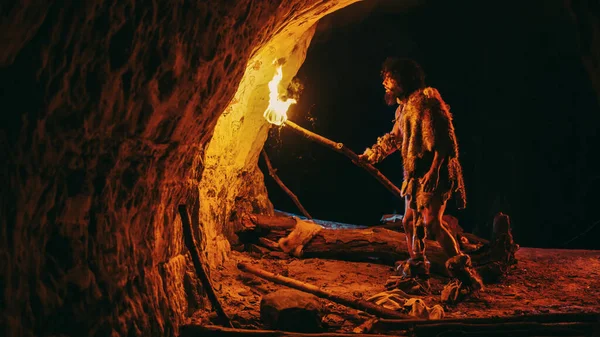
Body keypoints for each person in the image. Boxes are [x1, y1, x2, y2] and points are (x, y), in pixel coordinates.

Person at [359, 57, 483, 292]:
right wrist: (371, 155)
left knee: (432, 223)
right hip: (414, 176)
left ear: (403, 79)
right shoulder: (403, 108)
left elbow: (445, 141)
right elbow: (394, 139)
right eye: (385, 76)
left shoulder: (426, 102)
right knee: (408, 221)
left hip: (435, 172)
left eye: (390, 77)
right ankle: (418, 270)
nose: (385, 81)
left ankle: (464, 273)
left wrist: (434, 172)